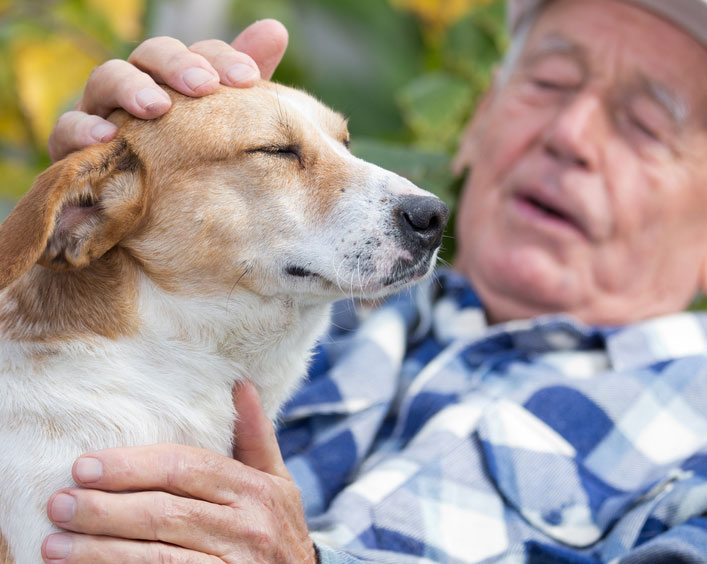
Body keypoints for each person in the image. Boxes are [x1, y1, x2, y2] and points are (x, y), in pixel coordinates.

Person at [39, 0, 707, 562]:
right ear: (475, 122)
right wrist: (139, 181)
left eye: (646, 124)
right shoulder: (281, 284)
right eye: (549, 83)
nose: (569, 133)